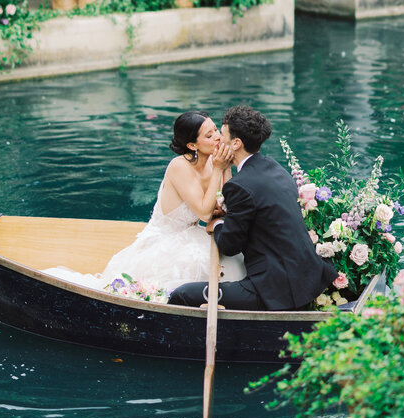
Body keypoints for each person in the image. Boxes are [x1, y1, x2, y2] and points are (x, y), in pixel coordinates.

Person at [43, 111, 245, 292]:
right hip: (167, 239)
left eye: (216, 130)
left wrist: (226, 168)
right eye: (209, 135)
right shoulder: (179, 167)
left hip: (193, 233)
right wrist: (220, 169)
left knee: (234, 258)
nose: (218, 137)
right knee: (199, 265)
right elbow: (203, 212)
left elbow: (226, 205)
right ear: (192, 145)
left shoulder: (213, 161)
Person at [168, 105, 337, 310]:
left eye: (221, 134)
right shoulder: (275, 167)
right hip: (308, 276)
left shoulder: (241, 186)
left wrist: (220, 223)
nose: (218, 139)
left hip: (274, 288)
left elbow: (229, 247)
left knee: (182, 294)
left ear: (236, 143)